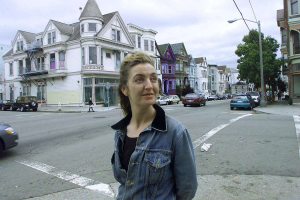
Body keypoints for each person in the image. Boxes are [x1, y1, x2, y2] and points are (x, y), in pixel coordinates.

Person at [111, 52, 198, 200]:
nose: (149, 85)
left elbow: (187, 189)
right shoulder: (120, 132)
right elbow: (125, 182)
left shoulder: (176, 133)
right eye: (139, 80)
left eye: (153, 78)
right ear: (124, 89)